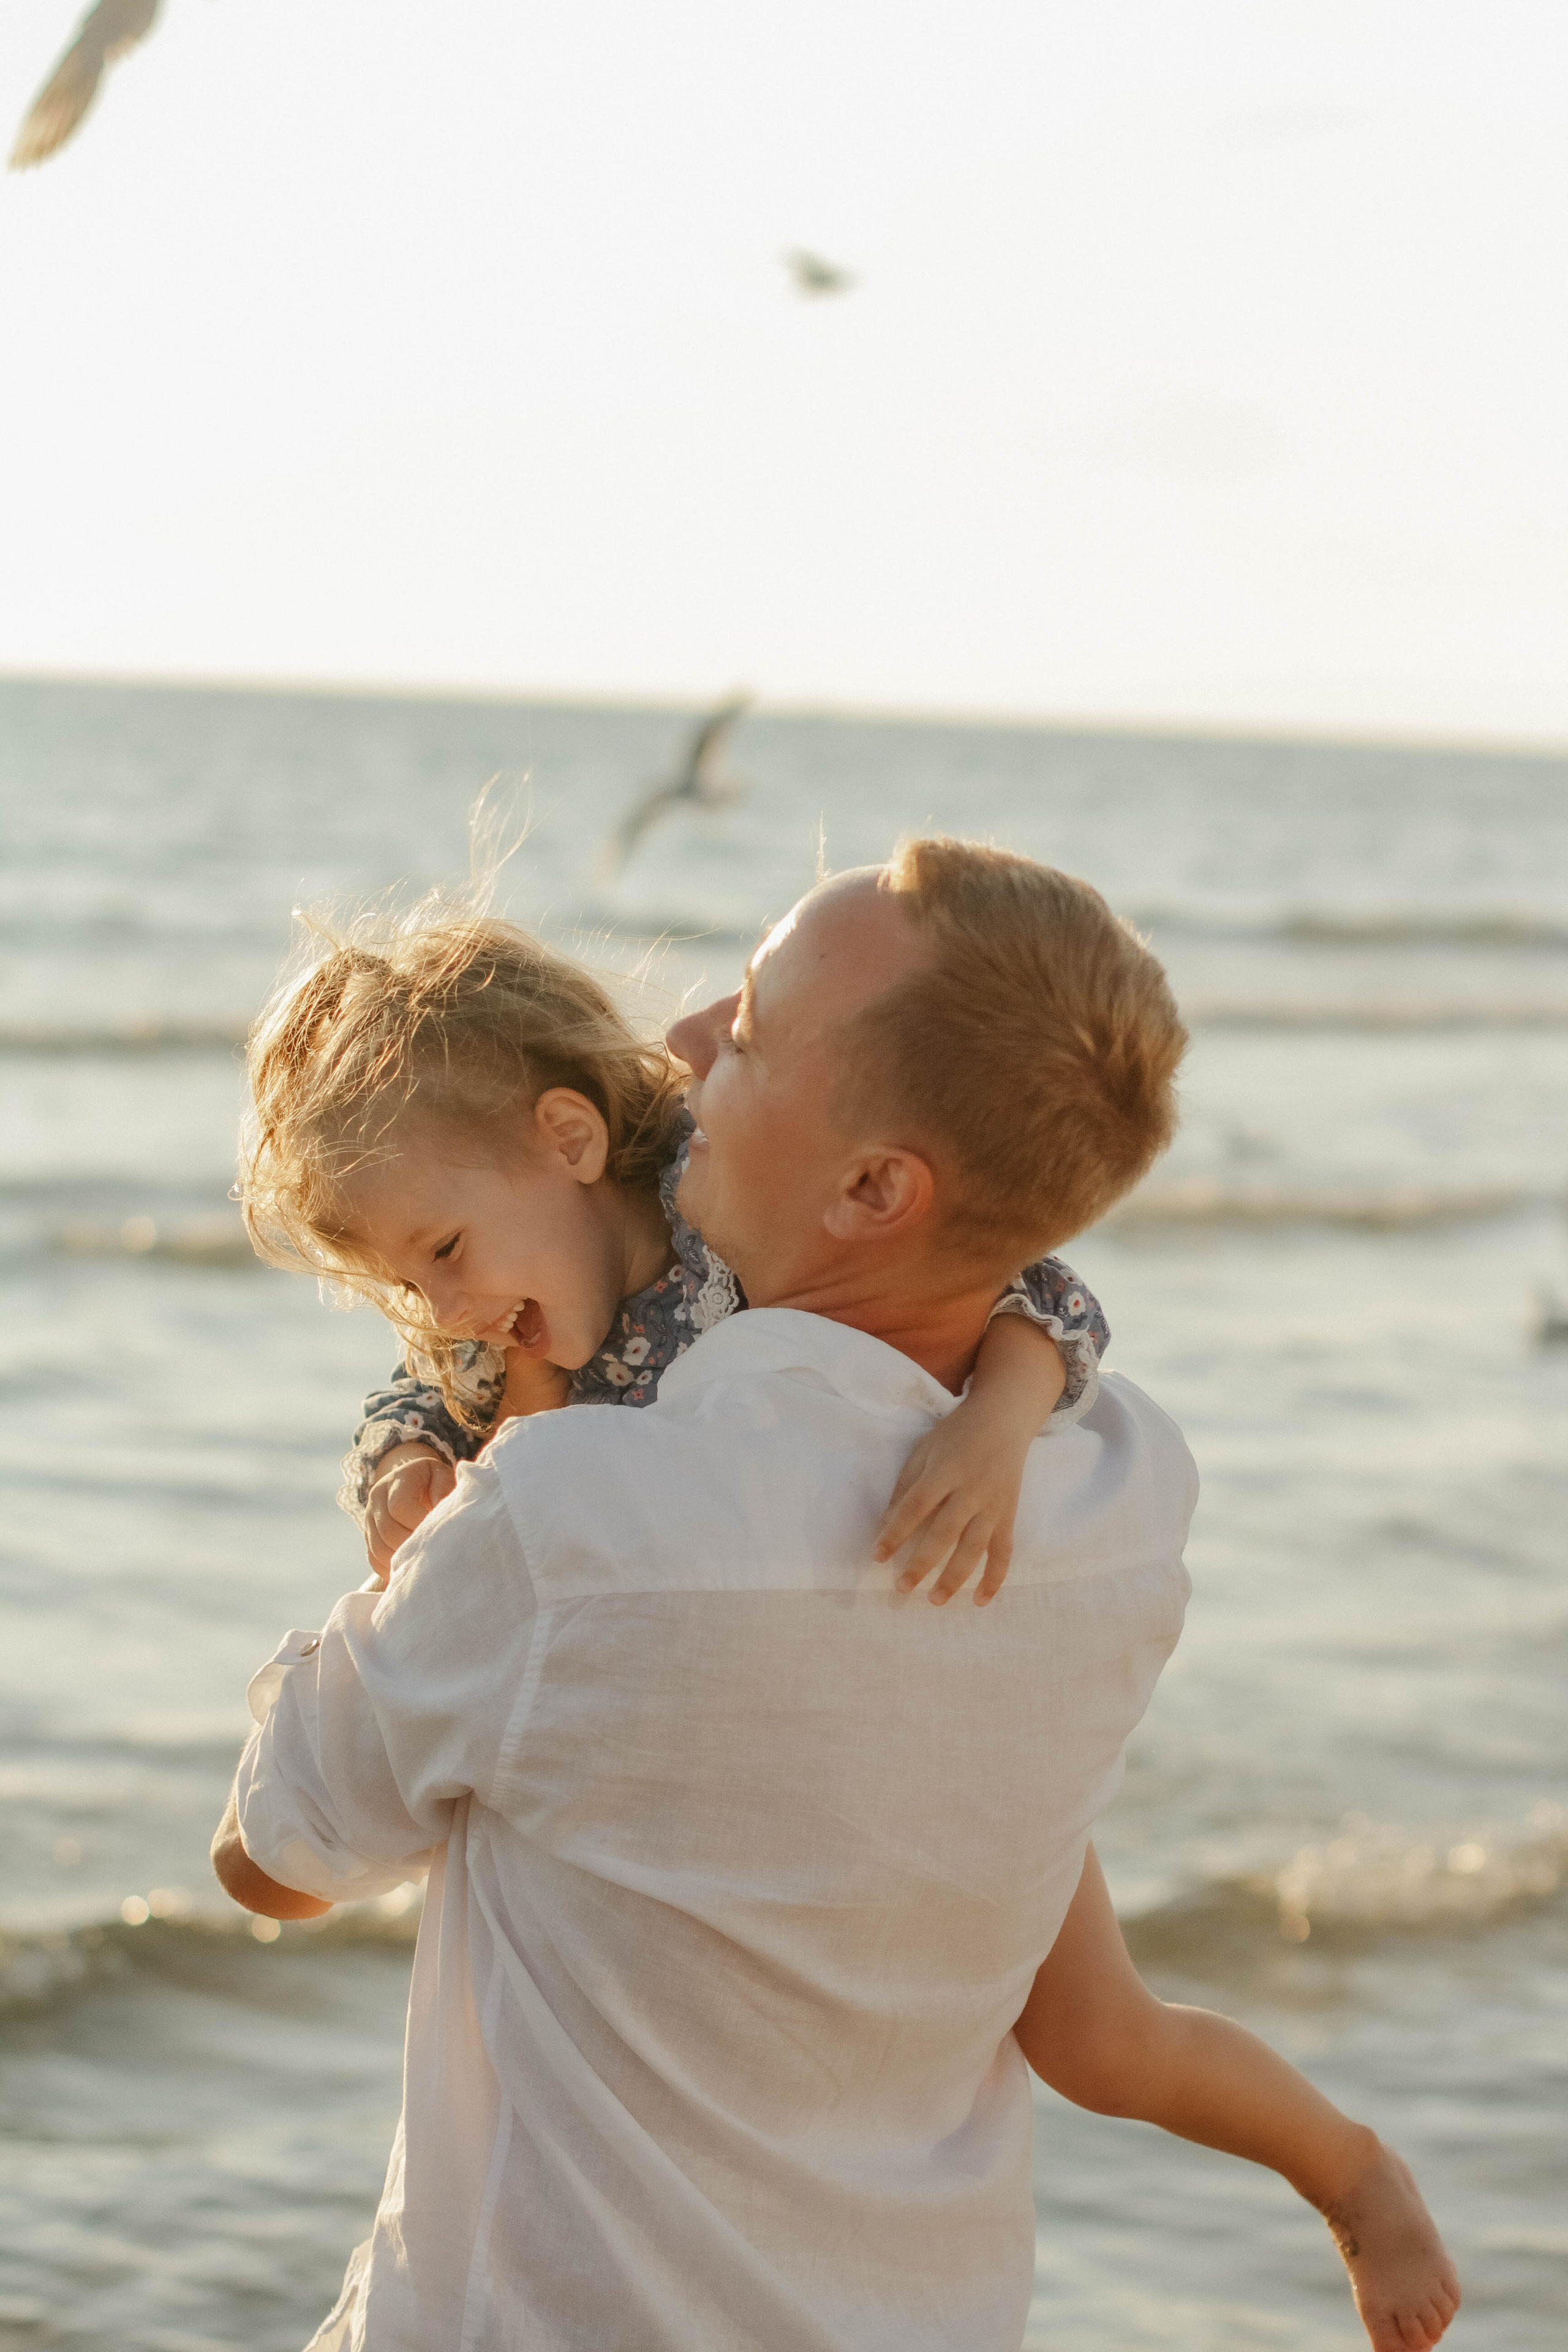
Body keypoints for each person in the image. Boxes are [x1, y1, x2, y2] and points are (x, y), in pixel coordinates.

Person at [214, 840, 1458, 2352]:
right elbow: (1001, 1275)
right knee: (1087, 2029)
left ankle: (1342, 2166)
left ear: (873, 1182)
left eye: (741, 1033)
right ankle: (1345, 2164)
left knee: (1105, 2033)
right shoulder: (1130, 1500)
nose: (679, 1053)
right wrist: (410, 1479)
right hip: (917, 2222)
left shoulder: (574, 1497)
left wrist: (991, 1420)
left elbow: (271, 1859)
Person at [241, 896, 1112, 1599]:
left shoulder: (723, 1209)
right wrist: (406, 1466)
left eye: (446, 1250)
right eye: (407, 1282)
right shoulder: (490, 1335)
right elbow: (411, 1405)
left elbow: (1031, 1288)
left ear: (570, 1140)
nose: (444, 1307)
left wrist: (994, 1425)